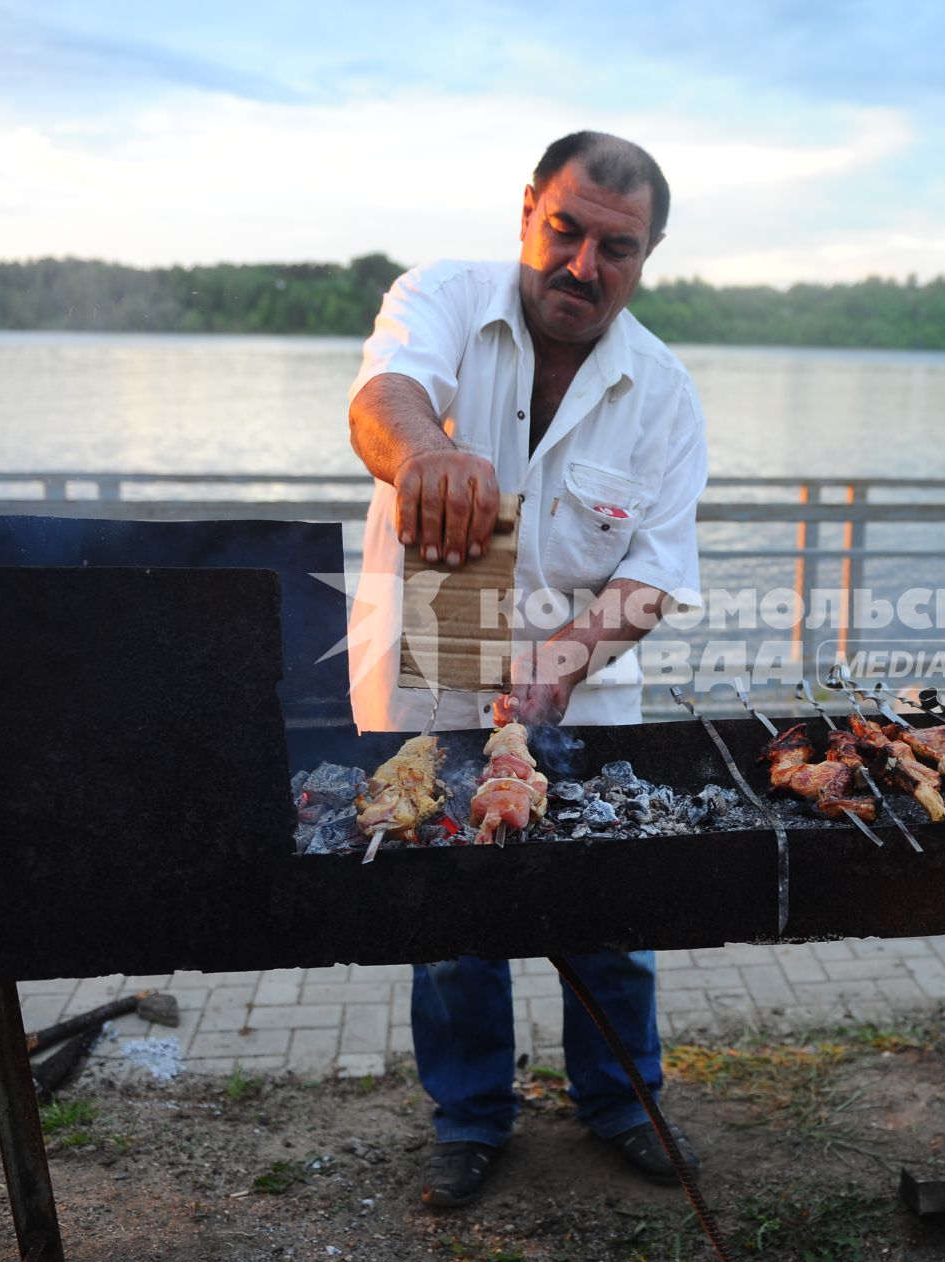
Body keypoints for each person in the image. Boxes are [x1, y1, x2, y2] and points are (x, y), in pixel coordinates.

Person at [343, 132, 709, 1208]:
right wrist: (421, 454)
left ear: (646, 259)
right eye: (567, 229)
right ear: (527, 212)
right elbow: (384, 396)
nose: (583, 266)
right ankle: (470, 1116)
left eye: (618, 248)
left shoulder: (665, 393)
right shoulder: (446, 296)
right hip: (430, 670)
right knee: (452, 921)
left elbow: (653, 573)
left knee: (609, 908)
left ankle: (621, 1100)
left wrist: (559, 667)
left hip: (580, 684)